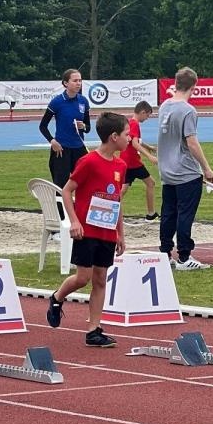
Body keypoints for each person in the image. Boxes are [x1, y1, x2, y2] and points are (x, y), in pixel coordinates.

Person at [45, 112, 129, 347]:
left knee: (101, 279)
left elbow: (116, 201)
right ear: (114, 137)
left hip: (107, 231)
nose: (129, 139)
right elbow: (66, 190)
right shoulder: (89, 161)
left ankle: (94, 329)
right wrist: (74, 221)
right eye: (126, 134)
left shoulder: (121, 165)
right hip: (87, 230)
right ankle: (57, 297)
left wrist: (120, 232)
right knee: (84, 277)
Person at [157, 67, 213, 271]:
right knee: (185, 214)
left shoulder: (165, 105)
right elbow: (191, 142)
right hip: (185, 171)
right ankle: (184, 256)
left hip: (167, 170)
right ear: (194, 86)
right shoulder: (188, 110)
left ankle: (165, 252)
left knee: (168, 213)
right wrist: (206, 168)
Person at [39, 70, 91, 195]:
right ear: (65, 83)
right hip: (61, 149)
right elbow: (43, 126)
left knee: (85, 182)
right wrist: (52, 141)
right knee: (60, 186)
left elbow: (88, 127)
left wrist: (83, 126)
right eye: (75, 81)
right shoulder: (57, 102)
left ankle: (79, 212)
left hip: (79, 149)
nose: (78, 83)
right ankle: (61, 214)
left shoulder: (83, 101)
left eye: (80, 80)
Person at [120, 100, 158, 219]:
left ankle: (110, 211)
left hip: (126, 160)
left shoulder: (130, 122)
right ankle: (151, 213)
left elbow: (134, 140)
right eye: (147, 115)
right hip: (133, 162)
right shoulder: (135, 124)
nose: (147, 118)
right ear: (142, 112)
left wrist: (148, 147)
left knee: (123, 189)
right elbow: (135, 144)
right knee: (151, 183)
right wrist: (149, 156)